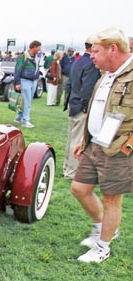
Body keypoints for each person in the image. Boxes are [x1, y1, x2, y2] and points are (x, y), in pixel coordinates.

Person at [70, 27, 133, 263]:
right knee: (79, 188)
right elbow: (96, 109)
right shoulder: (106, 73)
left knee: (111, 199)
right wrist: (85, 140)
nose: (91, 56)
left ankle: (102, 247)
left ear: (113, 48)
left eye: (96, 51)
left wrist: (129, 145)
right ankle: (103, 227)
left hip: (118, 148)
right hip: (95, 143)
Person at [63, 40, 101, 179]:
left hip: (73, 103)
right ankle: (72, 172)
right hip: (81, 105)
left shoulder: (77, 61)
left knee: (71, 138)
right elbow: (87, 88)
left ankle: (67, 167)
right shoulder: (90, 64)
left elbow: (69, 84)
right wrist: (86, 107)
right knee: (77, 140)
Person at [13, 40, 42, 128]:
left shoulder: (36, 57)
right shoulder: (23, 56)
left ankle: (19, 117)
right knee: (27, 101)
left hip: (33, 81)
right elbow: (17, 70)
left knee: (26, 100)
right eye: (38, 48)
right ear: (34, 47)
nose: (39, 50)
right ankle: (25, 120)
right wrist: (17, 82)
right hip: (25, 80)